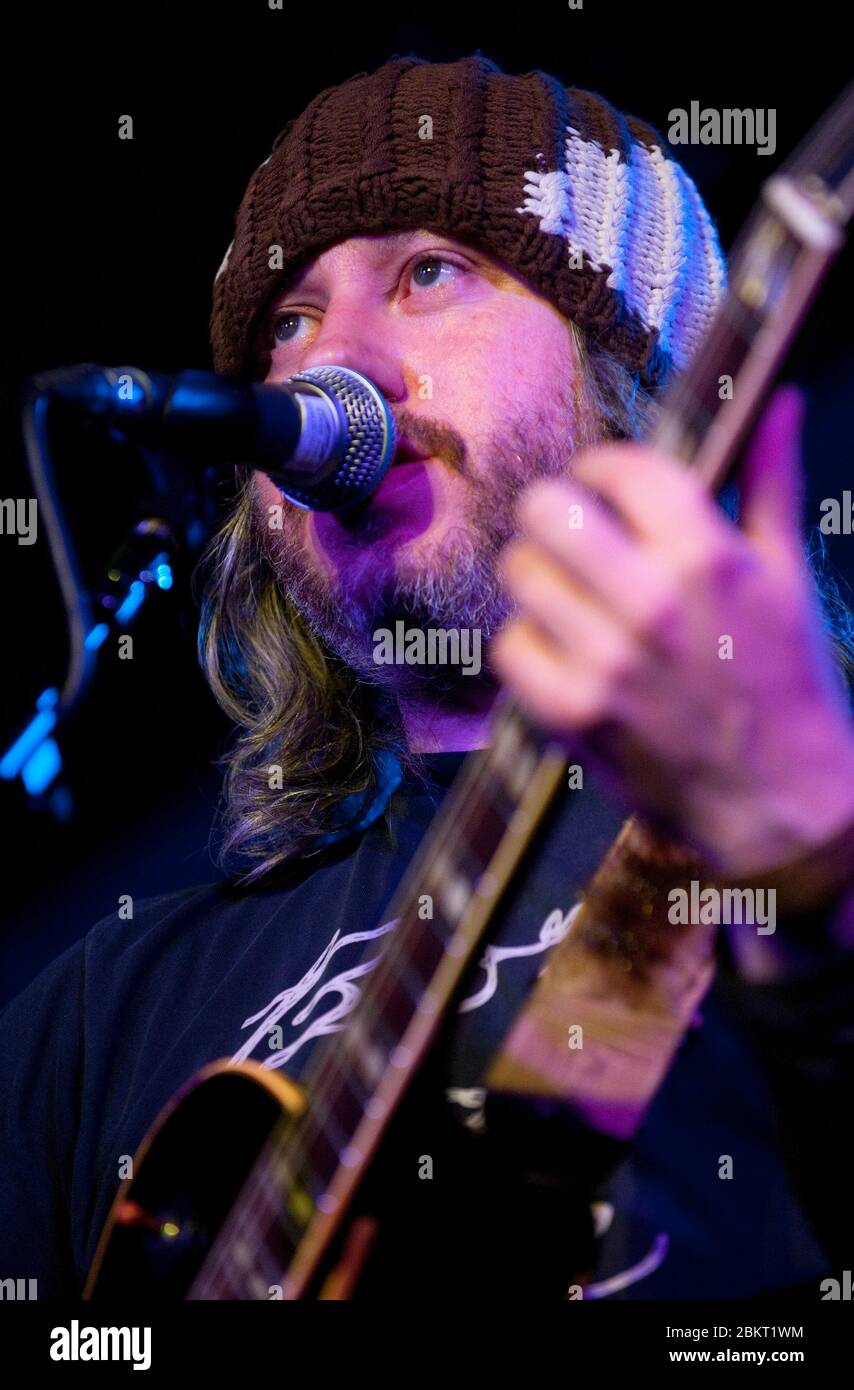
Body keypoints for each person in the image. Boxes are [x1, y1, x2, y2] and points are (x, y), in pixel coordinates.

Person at [2, 53, 854, 1301]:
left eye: (427, 273)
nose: (332, 367)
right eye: (288, 322)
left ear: (639, 387)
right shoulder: (101, 1013)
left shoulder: (822, 829)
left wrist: (810, 877)